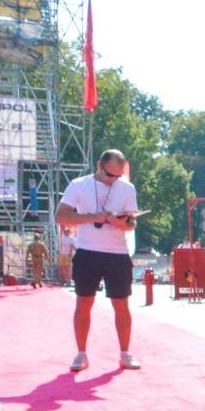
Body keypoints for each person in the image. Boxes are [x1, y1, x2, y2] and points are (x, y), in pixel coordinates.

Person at [55, 149, 142, 371]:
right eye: (110, 175)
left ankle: (125, 353)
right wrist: (93, 217)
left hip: (118, 253)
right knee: (83, 303)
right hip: (87, 251)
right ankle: (81, 354)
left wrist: (123, 223)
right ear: (98, 166)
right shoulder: (78, 185)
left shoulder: (127, 188)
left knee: (121, 304)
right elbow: (61, 216)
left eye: (118, 176)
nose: (114, 180)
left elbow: (132, 223)